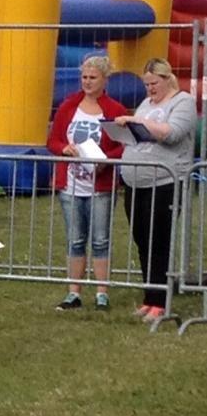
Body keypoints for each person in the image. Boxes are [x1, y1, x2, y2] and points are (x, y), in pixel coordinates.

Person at [116, 58, 197, 324]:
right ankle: (150, 297)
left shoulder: (182, 102)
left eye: (154, 83)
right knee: (141, 238)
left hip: (165, 182)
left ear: (166, 79)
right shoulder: (146, 104)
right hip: (136, 181)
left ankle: (161, 301)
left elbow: (172, 133)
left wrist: (137, 122)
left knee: (158, 239)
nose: (150, 89)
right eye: (146, 84)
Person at [47, 54, 128, 311]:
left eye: (93, 78)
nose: (87, 82)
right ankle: (74, 292)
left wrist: (107, 161)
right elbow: (53, 141)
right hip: (70, 184)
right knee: (75, 238)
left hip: (100, 185)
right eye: (84, 77)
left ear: (105, 80)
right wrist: (64, 148)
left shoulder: (115, 110)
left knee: (101, 239)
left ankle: (102, 292)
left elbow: (124, 145)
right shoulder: (69, 106)